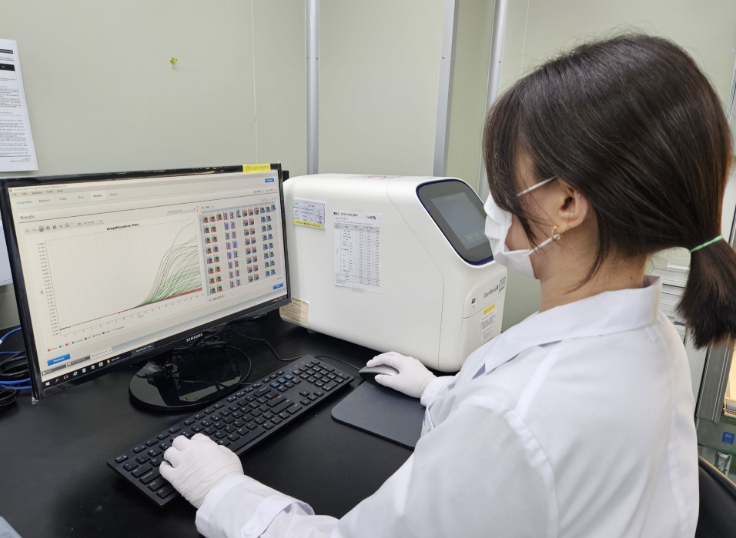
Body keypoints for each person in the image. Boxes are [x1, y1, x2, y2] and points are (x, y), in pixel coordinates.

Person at [160, 34, 736, 537]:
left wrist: (224, 491)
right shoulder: (655, 338)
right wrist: (440, 391)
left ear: (566, 202)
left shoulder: (517, 418)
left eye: (507, 176)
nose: (496, 199)